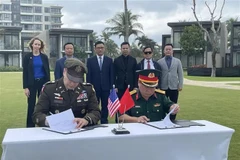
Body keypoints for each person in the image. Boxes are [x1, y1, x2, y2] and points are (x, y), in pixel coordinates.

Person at [32, 58, 101, 128]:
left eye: (76, 81)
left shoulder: (87, 89)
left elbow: (96, 112)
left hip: (80, 132)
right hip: (55, 132)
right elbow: (37, 114)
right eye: (70, 79)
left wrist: (86, 120)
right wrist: (50, 122)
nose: (72, 83)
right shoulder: (50, 89)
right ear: (64, 71)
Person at [22, 37, 50, 127]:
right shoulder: (27, 57)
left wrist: (48, 85)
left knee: (43, 104)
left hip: (42, 83)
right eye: (35, 44)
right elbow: (25, 72)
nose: (37, 46)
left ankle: (43, 123)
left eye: (39, 44)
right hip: (31, 84)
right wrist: (26, 87)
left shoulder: (44, 57)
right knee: (31, 105)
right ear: (32, 45)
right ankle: (30, 125)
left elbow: (47, 71)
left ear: (41, 46)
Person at [86, 41, 114, 124]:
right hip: (95, 88)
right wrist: (89, 87)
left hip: (106, 88)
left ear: (104, 49)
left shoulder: (109, 60)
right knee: (94, 106)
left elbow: (111, 74)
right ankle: (94, 121)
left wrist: (111, 87)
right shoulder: (90, 60)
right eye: (98, 48)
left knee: (105, 106)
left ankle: (104, 121)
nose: (100, 49)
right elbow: (89, 75)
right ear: (95, 49)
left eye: (102, 48)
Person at [157, 43, 183, 120]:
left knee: (173, 104)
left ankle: (172, 119)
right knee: (163, 104)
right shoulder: (159, 62)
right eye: (166, 49)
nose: (168, 51)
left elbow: (180, 74)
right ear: (164, 51)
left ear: (172, 51)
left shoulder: (177, 61)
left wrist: (180, 85)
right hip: (163, 87)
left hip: (174, 86)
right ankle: (164, 119)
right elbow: (158, 75)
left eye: (169, 49)